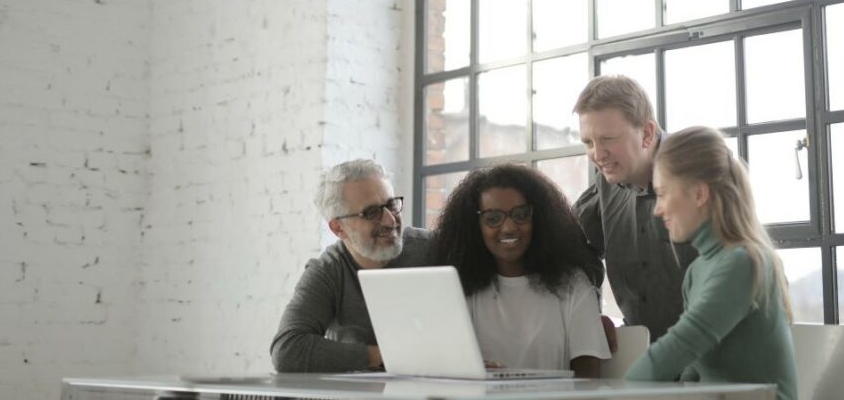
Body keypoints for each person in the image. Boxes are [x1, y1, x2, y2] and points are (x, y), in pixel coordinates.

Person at [624, 126, 797, 400]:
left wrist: (614, 393)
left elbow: (683, 344)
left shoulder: (744, 262)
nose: (657, 209)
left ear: (699, 194)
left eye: (663, 193)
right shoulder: (696, 271)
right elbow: (693, 371)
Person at [431, 164, 611, 378]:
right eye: (493, 218)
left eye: (520, 214)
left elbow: (588, 382)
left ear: (539, 218)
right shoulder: (456, 287)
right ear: (473, 225)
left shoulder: (573, 284)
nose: (508, 227)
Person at [271, 159, 431, 372]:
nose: (390, 220)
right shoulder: (328, 271)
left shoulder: (435, 248)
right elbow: (287, 350)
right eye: (371, 212)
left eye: (392, 205)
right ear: (338, 228)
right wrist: (387, 355)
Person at [572, 74, 698, 341]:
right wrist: (588, 319)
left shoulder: (703, 170)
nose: (597, 154)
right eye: (588, 142)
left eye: (608, 139)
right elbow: (572, 252)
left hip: (715, 357)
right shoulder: (606, 182)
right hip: (645, 353)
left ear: (647, 133)